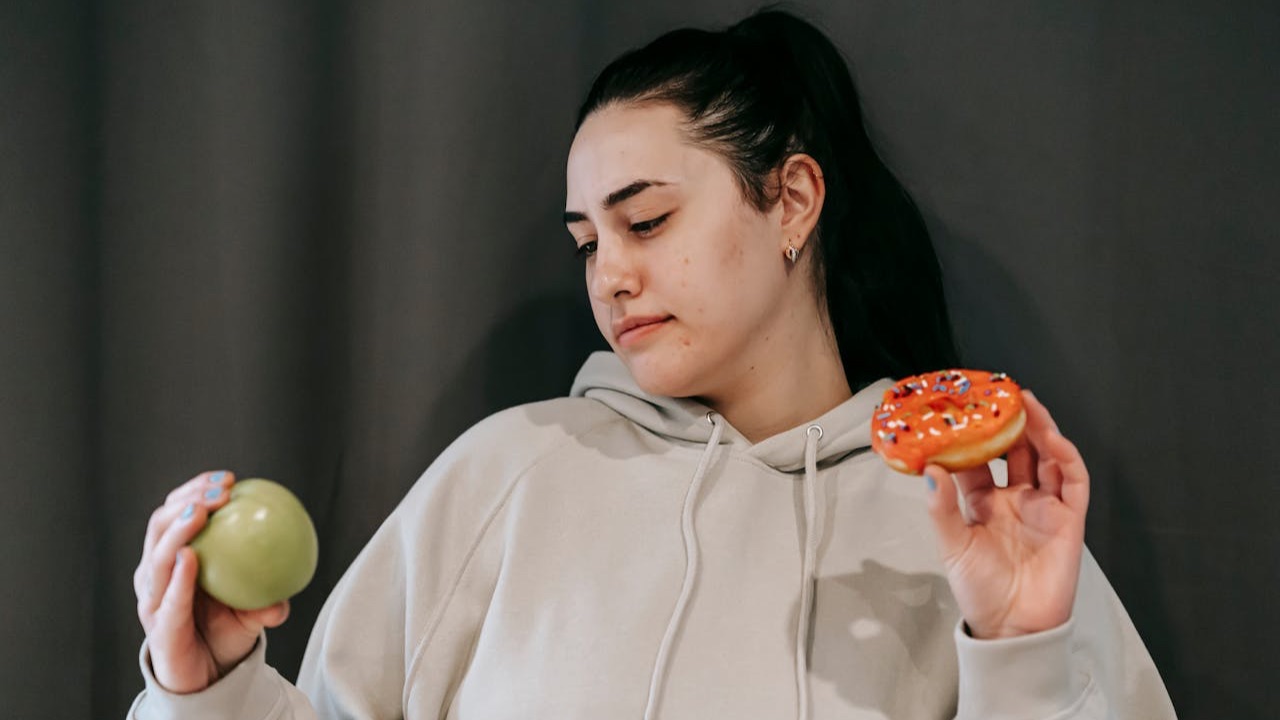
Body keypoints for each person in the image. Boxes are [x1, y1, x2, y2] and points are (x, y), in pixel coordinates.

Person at [128, 8, 1177, 719]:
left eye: (647, 220)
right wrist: (209, 691)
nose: (612, 275)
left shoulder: (969, 516)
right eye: (588, 242)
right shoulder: (506, 474)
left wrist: (1021, 655)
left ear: (793, 201)